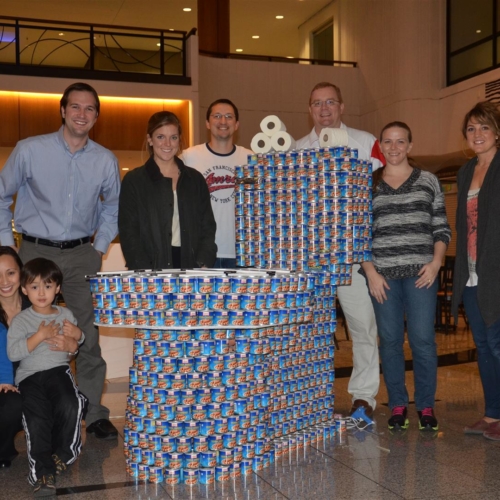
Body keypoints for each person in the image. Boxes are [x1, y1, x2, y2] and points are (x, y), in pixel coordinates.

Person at [0, 82, 121, 440]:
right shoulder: (29, 150)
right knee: (20, 327)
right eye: (76, 107)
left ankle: (94, 412)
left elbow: (113, 207)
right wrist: (10, 251)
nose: (82, 114)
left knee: (86, 330)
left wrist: (98, 248)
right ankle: (19, 406)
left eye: (89, 109)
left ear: (96, 117)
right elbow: (2, 196)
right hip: (35, 252)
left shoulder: (105, 160)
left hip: (82, 252)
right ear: (62, 110)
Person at [296, 82, 385, 417]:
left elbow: (381, 197)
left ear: (342, 107)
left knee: (363, 327)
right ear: (309, 109)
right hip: (312, 258)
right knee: (312, 330)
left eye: (330, 102)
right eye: (317, 103)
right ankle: (312, 396)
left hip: (353, 256)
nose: (324, 109)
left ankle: (363, 397)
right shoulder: (297, 148)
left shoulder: (365, 144)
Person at [361, 121, 451, 430]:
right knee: (389, 341)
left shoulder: (428, 181)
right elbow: (359, 235)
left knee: (423, 340)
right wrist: (370, 272)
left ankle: (426, 405)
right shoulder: (369, 184)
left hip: (421, 274)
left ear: (410, 146)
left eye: (401, 141)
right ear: (381, 146)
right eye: (388, 141)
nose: (394, 147)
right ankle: (397, 402)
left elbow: (440, 227)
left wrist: (437, 263)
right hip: (382, 277)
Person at [7, 258, 87, 496]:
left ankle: (63, 454)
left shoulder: (66, 314)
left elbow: (76, 343)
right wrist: (39, 335)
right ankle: (42, 472)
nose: (41, 292)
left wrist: (77, 336)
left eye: (48, 285)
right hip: (29, 377)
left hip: (58, 372)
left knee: (71, 403)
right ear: (24, 289)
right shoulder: (21, 320)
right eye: (34, 287)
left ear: (58, 288)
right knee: (36, 418)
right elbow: (13, 353)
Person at [452, 101, 500, 441]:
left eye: (484, 127)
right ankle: (492, 413)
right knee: (483, 347)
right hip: (470, 272)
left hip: (496, 271)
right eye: (471, 128)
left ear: (497, 131)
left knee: (497, 345)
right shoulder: (467, 171)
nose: (477, 134)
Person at [119, 111, 217, 270]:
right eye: (160, 137)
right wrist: (142, 270)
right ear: (150, 140)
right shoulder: (134, 181)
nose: (167, 144)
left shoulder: (195, 179)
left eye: (173, 137)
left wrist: (203, 263)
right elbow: (129, 233)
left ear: (179, 139)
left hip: (192, 267)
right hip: (150, 269)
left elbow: (207, 226)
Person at [181, 99, 252, 268]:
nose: (223, 121)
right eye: (217, 116)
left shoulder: (250, 159)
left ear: (236, 124)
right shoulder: (189, 157)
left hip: (241, 253)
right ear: (207, 123)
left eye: (229, 117)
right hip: (201, 253)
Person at [0, 247, 25, 469]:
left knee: (69, 399)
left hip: (32, 380)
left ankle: (57, 450)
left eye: (10, 272)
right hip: (3, 386)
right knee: (11, 402)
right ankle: (3, 449)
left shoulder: (38, 305)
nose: (4, 281)